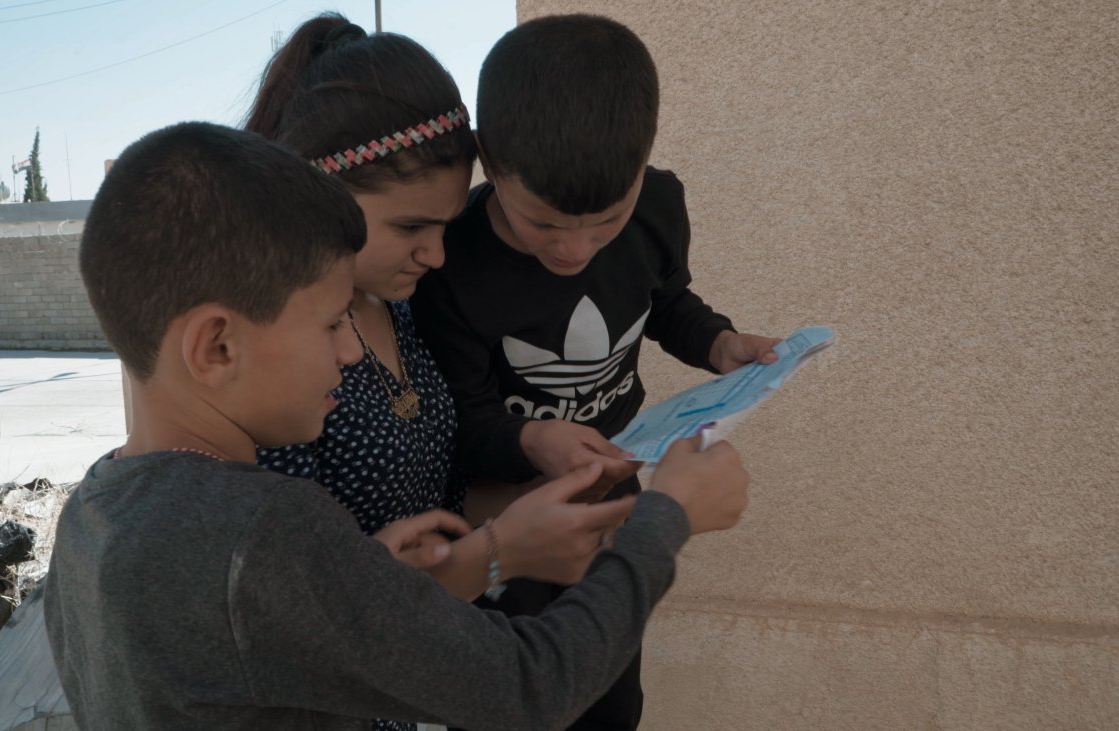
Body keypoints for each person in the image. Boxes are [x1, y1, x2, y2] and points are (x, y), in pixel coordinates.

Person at [44, 120, 753, 731]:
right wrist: (667, 517)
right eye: (330, 324)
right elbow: (529, 687)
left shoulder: (91, 516)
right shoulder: (260, 534)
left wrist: (397, 575)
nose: (352, 351)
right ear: (217, 346)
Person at [410, 14, 782, 731]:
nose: (574, 249)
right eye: (541, 224)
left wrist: (718, 343)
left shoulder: (659, 208)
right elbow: (462, 417)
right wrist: (530, 442)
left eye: (604, 222)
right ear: (488, 160)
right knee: (508, 695)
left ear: (644, 166)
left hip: (613, 491)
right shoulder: (454, 261)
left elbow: (667, 301)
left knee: (610, 688)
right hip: (505, 510)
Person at [244, 14, 619, 621]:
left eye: (445, 225)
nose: (436, 254)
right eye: (411, 227)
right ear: (316, 194)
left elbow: (438, 502)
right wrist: (503, 552)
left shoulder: (408, 305)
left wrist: (541, 500)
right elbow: (299, 607)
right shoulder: (268, 348)